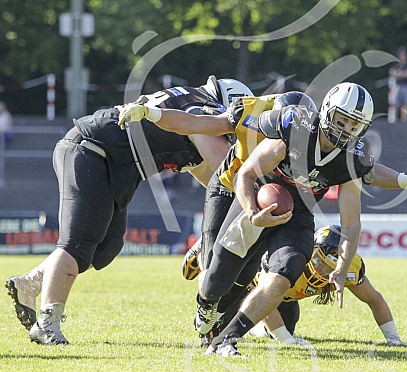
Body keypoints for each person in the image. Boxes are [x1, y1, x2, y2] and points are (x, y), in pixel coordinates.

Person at [169, 82, 407, 358]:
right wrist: (253, 213)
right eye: (342, 121)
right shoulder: (295, 127)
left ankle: (225, 340)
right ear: (327, 112)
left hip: (298, 212)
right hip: (259, 196)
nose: (346, 130)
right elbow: (246, 175)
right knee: (220, 280)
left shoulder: (353, 159)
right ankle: (205, 302)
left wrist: (340, 268)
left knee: (285, 272)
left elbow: (351, 223)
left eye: (354, 126)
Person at [5, 76, 251, 345]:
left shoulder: (190, 105)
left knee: (106, 246)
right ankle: (46, 323)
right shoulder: (200, 110)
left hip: (109, 160)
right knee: (78, 244)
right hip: (91, 150)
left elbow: (216, 184)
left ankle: (29, 283)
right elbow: (228, 175)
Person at [197, 225, 407, 348]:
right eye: (318, 261)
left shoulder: (350, 268)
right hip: (249, 289)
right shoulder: (294, 259)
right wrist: (288, 342)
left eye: (329, 268)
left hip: (286, 298)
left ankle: (258, 329)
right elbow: (262, 297)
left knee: (284, 328)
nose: (321, 271)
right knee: (215, 333)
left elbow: (374, 299)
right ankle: (202, 254)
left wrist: (393, 338)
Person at [389, 47, 407, 121]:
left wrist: (400, 74)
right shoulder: (396, 64)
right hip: (398, 86)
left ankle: (404, 120)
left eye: (403, 54)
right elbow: (392, 72)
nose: (402, 56)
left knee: (406, 104)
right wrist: (404, 74)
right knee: (396, 104)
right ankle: (395, 120)